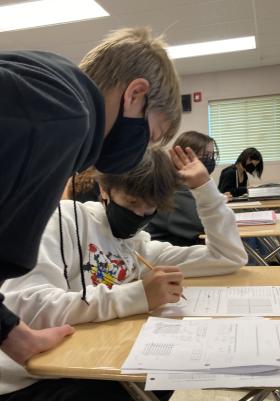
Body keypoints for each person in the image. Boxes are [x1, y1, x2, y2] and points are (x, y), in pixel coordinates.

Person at [0, 147, 247, 400]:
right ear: (105, 190)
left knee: (161, 375)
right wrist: (138, 295)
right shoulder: (64, 220)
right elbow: (24, 308)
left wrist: (204, 187)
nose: (140, 214)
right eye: (131, 202)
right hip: (30, 377)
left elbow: (227, 257)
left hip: (89, 363)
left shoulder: (138, 246)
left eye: (151, 206)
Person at [0, 27, 181, 366]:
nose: (141, 152)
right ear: (135, 94)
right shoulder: (64, 116)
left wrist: (10, 332)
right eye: (150, 137)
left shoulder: (48, 80)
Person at [147, 131, 219, 246]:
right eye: (206, 155)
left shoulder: (185, 184)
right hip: (166, 260)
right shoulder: (176, 189)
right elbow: (210, 223)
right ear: (185, 156)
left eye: (211, 156)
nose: (210, 160)